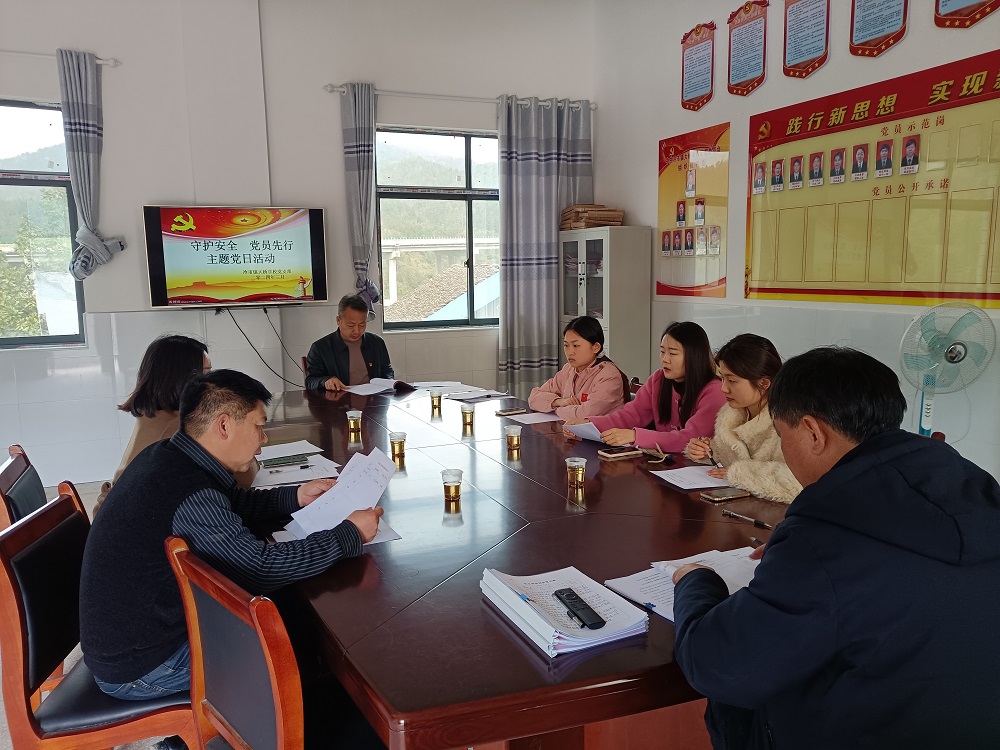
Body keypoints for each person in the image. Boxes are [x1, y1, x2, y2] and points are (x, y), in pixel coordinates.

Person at [671, 348, 1000, 749]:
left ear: (813, 432)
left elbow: (716, 665)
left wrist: (697, 582)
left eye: (783, 435)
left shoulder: (824, 542)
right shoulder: (976, 492)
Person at [80, 369, 384, 700]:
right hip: (145, 666)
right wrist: (350, 534)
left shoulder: (167, 455)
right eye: (258, 426)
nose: (263, 439)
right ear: (224, 426)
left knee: (294, 616)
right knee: (306, 647)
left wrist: (295, 496)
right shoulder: (188, 491)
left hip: (133, 640)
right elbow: (260, 569)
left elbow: (230, 503)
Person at [95, 335, 258, 513]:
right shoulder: (181, 426)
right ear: (181, 378)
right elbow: (244, 479)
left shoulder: (154, 416)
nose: (214, 383)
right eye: (206, 373)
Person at [567, 321, 725, 451]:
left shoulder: (714, 391)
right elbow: (630, 415)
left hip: (697, 469)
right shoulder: (659, 379)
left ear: (694, 356)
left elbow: (690, 438)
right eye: (662, 352)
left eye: (673, 353)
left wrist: (636, 436)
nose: (665, 359)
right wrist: (588, 423)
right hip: (664, 464)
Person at [684, 334, 800, 503]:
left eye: (732, 380)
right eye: (722, 378)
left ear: (763, 383)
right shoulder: (730, 416)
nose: (723, 388)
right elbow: (726, 460)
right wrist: (706, 451)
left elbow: (796, 483)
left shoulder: (788, 423)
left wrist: (741, 473)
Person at [528, 316, 627, 420]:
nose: (570, 352)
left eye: (576, 345)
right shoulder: (568, 369)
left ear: (596, 347)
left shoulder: (609, 376)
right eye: (566, 345)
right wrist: (558, 401)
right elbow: (533, 398)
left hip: (601, 431)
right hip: (570, 428)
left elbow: (583, 415)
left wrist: (555, 408)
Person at [306, 293, 393, 391]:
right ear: (338, 320)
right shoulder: (320, 348)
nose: (357, 331)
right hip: (340, 399)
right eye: (351, 325)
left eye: (362, 325)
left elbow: (387, 371)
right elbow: (310, 381)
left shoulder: (377, 343)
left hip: (374, 398)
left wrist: (390, 382)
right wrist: (325, 381)